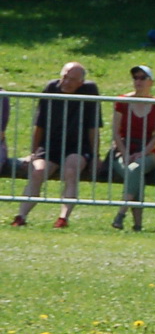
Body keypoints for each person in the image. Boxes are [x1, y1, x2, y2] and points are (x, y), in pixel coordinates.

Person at [12, 61, 102, 228]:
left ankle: (63, 218)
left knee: (71, 170)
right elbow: (39, 124)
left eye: (72, 80)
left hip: (78, 146)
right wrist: (32, 153)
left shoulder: (90, 90)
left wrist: (96, 156)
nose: (66, 83)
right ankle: (21, 216)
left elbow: (93, 127)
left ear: (81, 82)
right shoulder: (51, 88)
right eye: (64, 78)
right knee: (37, 172)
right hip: (51, 145)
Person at [107, 64, 155, 231]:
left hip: (147, 151)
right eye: (135, 78)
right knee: (133, 172)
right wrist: (124, 153)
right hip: (123, 148)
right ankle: (137, 224)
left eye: (142, 78)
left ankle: (121, 213)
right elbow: (116, 132)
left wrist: (143, 153)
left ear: (151, 82)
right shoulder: (122, 101)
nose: (138, 81)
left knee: (135, 168)